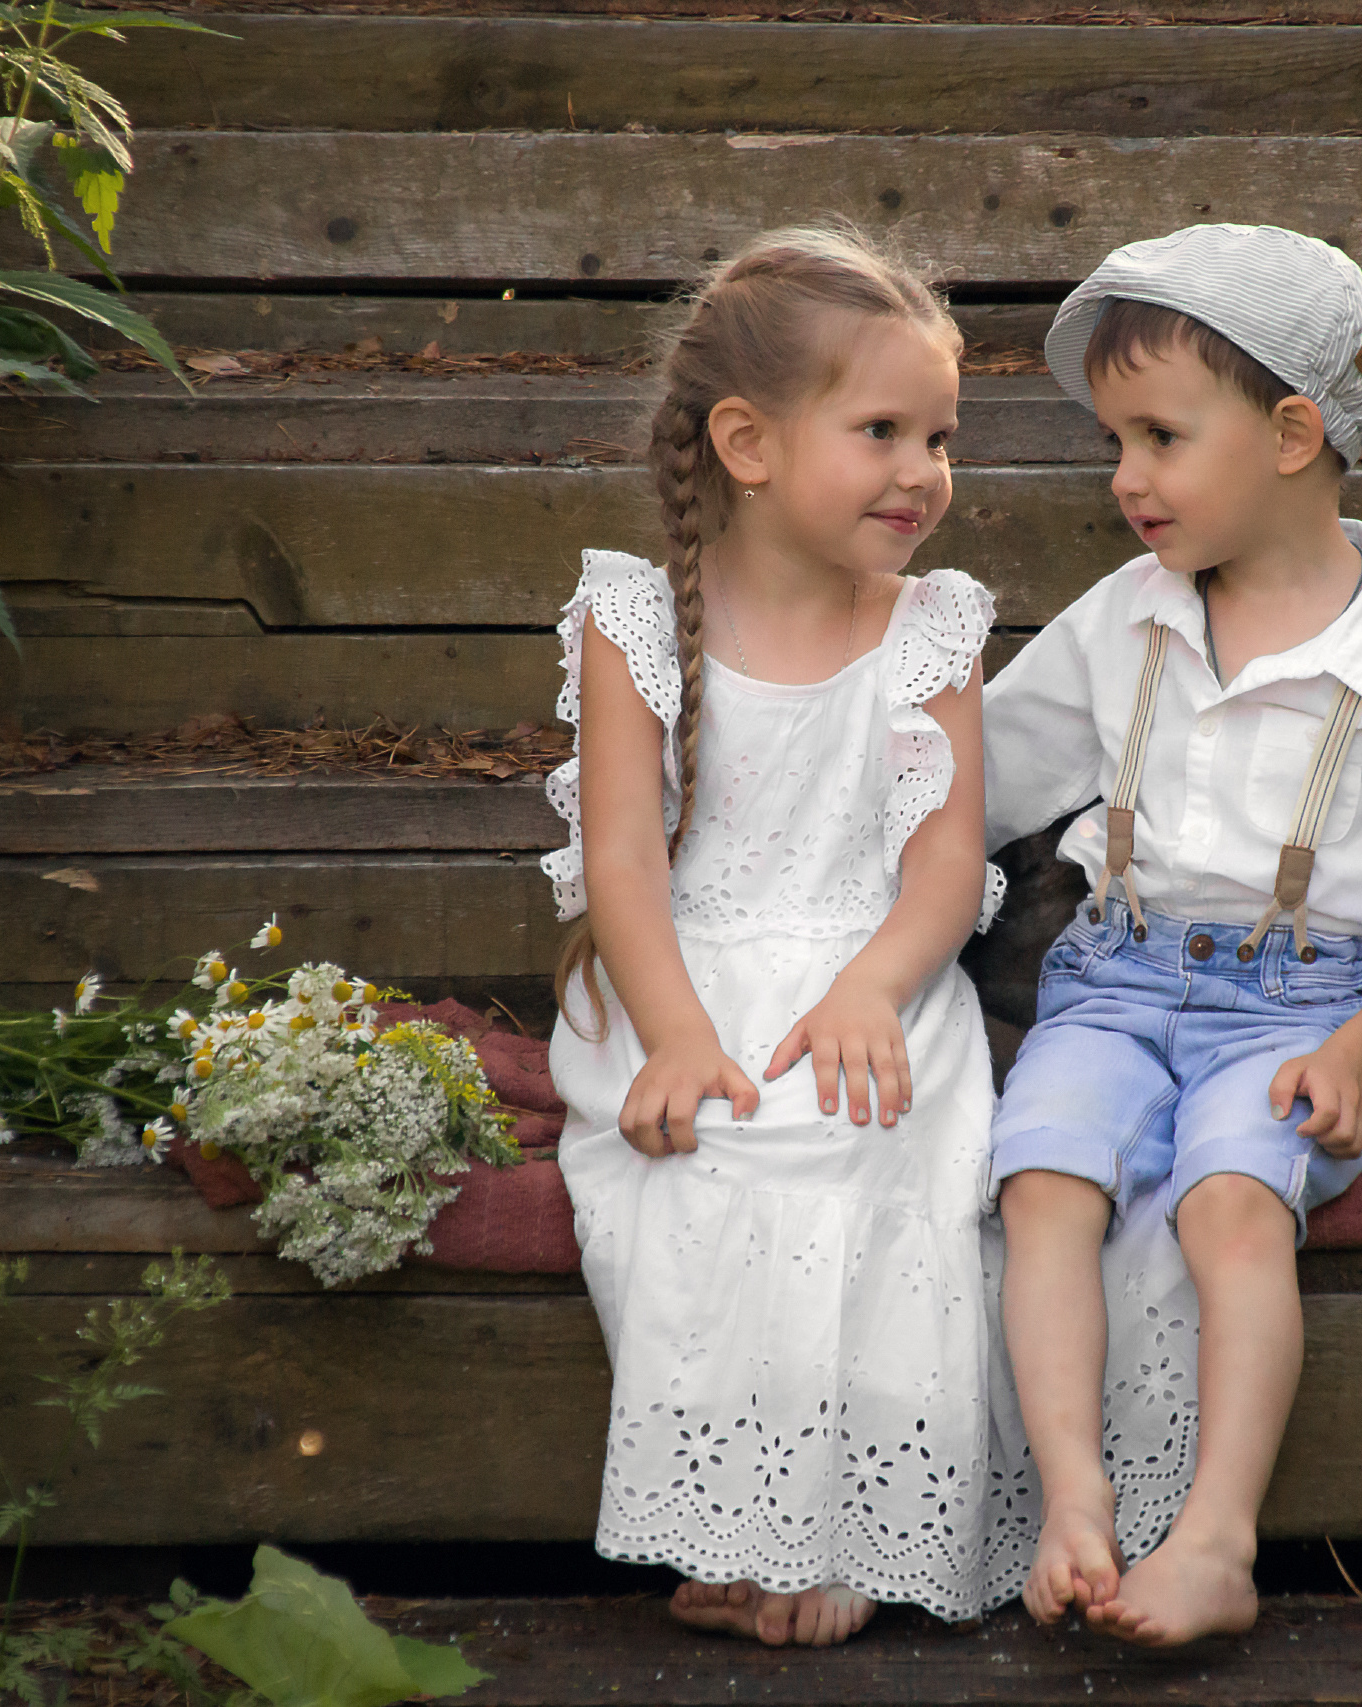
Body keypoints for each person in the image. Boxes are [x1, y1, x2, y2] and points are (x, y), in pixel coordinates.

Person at [980, 224, 1362, 1646]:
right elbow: (977, 776)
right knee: (1043, 1180)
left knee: (1235, 1202)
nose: (1125, 477)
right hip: (1112, 985)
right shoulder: (1129, 624)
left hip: (1310, 1012)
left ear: (1295, 432)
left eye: (1160, 435)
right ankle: (1073, 1503)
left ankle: (1218, 1540)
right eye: (1114, 439)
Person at [541, 225, 1026, 1647]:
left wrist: (877, 987)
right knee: (706, 1155)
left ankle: (850, 1533)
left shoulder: (933, 627)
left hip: (873, 973)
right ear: (746, 442)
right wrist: (678, 1033)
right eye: (880, 429)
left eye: (938, 435)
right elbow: (621, 855)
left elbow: (945, 866)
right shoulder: (634, 622)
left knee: (876, 1136)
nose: (921, 472)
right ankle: (740, 1523)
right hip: (677, 975)